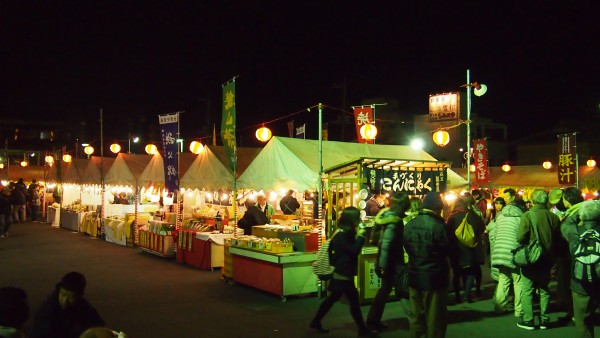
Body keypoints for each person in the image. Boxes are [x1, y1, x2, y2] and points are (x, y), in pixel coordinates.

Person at [309, 207, 378, 337]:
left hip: (342, 271)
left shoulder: (344, 233)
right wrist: (361, 236)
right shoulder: (342, 235)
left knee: (334, 298)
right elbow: (354, 250)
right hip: (342, 272)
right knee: (353, 301)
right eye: (357, 217)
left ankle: (316, 321)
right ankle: (362, 329)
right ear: (351, 219)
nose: (359, 220)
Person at [403, 191, 450, 338]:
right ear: (437, 208)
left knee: (416, 317)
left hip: (414, 274)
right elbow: (447, 249)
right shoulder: (439, 226)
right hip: (434, 276)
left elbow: (406, 246)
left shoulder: (410, 224)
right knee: (435, 318)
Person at [516, 189, 561, 330]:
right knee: (544, 289)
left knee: (527, 289)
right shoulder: (553, 217)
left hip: (531, 258)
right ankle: (544, 320)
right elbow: (558, 239)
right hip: (547, 258)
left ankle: (529, 320)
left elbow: (520, 237)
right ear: (546, 200)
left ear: (533, 200)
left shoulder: (528, 215)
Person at [366, 192, 411, 330]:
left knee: (385, 291)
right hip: (392, 262)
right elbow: (387, 243)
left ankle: (373, 320)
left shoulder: (385, 215)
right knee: (402, 289)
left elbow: (380, 241)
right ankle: (414, 319)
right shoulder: (394, 220)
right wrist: (383, 265)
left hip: (388, 261)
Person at [561, 200, 600, 338]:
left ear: (582, 216)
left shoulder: (573, 231)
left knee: (583, 321)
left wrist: (578, 211)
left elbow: (565, 224)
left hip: (580, 284)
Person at [30, 271, 105, 338]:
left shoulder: (83, 307)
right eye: (63, 295)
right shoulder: (46, 311)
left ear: (79, 296)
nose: (65, 300)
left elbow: (98, 327)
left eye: (71, 297)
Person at [486, 194, 524, 318]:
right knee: (518, 281)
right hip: (513, 253)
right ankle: (519, 310)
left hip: (499, 252)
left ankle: (499, 307)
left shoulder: (500, 217)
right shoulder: (520, 217)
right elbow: (522, 236)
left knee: (503, 280)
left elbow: (495, 234)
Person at [446, 194, 486, 303]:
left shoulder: (451, 217)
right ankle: (467, 295)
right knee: (469, 272)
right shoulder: (472, 215)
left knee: (457, 274)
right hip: (470, 247)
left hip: (456, 249)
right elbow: (482, 228)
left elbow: (447, 233)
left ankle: (458, 296)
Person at [555, 187, 584, 326]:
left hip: (571, 256)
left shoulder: (576, 214)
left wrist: (563, 225)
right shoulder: (581, 210)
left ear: (568, 199)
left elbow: (572, 237)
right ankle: (574, 313)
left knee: (572, 285)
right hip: (574, 256)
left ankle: (575, 315)